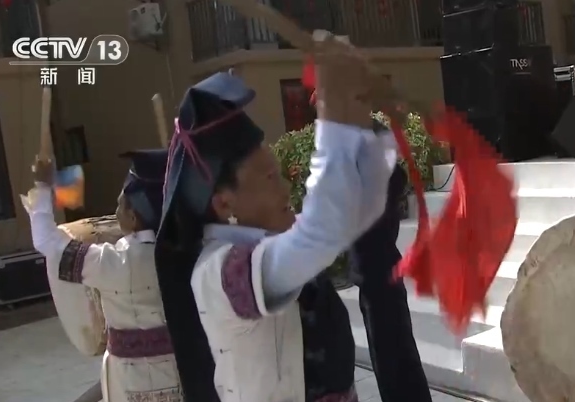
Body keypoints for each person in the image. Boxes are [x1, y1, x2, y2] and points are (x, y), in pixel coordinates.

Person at [154, 32, 397, 402]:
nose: (285, 190)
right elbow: (322, 232)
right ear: (224, 203)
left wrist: (359, 123)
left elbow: (354, 212)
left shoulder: (275, 240)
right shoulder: (221, 273)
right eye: (269, 178)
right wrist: (333, 116)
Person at [24, 149, 182, 402]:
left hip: (132, 382)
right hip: (182, 374)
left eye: (119, 205)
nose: (115, 211)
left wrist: (42, 186)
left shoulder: (114, 262)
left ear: (133, 216)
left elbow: (46, 240)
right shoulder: (188, 254)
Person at [348, 163, 432, 402]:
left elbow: (395, 176)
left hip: (379, 269)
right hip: (375, 271)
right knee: (394, 361)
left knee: (395, 363)